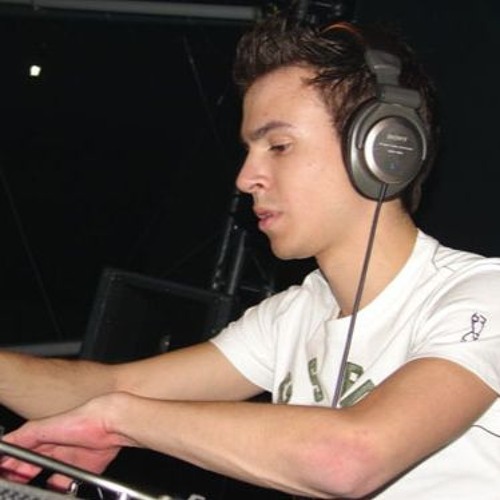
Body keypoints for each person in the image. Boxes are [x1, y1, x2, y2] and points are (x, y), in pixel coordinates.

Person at [1, 11, 500, 500]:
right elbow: (113, 386)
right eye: (249, 150)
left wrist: (120, 420)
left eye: (278, 146)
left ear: (384, 150)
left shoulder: (481, 297)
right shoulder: (293, 316)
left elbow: (349, 457)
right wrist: (112, 409)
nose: (245, 179)